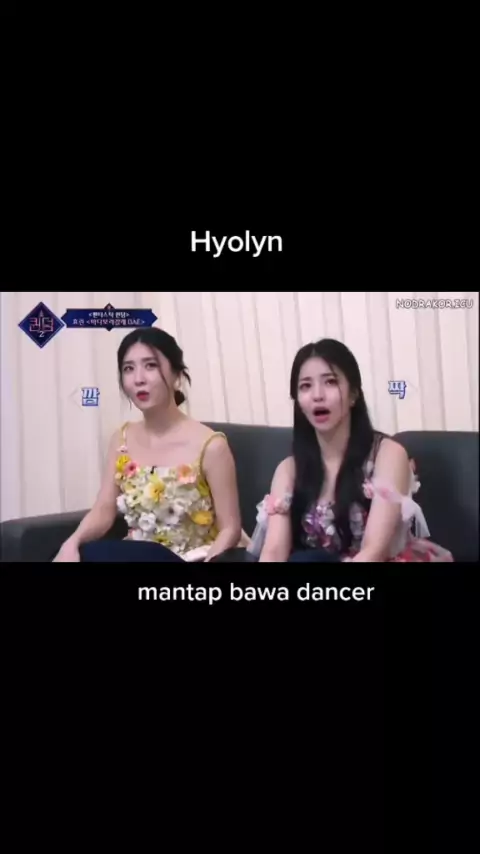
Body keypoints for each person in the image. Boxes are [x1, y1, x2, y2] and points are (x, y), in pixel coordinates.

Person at [249, 339, 453, 563]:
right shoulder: (288, 470)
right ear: (298, 402)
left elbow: (374, 551)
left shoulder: (388, 455)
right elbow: (274, 551)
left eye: (330, 382)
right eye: (306, 386)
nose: (317, 395)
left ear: (354, 394)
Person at [53, 327, 245, 563]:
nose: (139, 379)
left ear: (177, 376)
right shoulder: (121, 439)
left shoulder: (211, 446)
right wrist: (72, 543)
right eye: (128, 369)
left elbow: (230, 529)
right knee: (77, 555)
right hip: (134, 556)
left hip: (188, 560)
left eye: (150, 365)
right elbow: (104, 509)